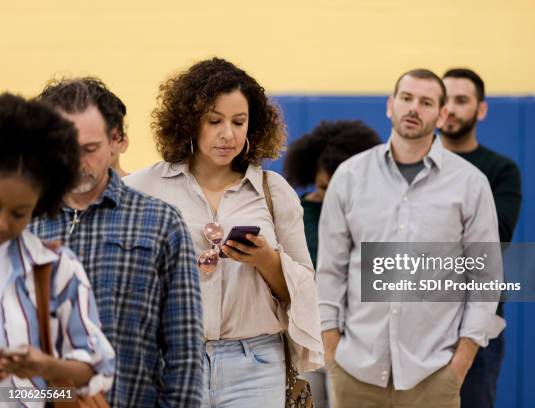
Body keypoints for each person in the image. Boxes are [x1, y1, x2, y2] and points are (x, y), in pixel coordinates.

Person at [124, 57, 324, 407]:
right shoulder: (144, 187)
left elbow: (303, 290)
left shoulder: (273, 191)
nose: (227, 134)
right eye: (214, 120)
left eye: (238, 121)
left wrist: (266, 260)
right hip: (170, 361)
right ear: (188, 122)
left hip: (257, 363)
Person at [317, 69, 505, 408]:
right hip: (355, 372)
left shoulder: (470, 184)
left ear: (442, 114)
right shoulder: (350, 177)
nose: (413, 108)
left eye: (426, 102)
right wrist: (332, 352)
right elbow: (330, 271)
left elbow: (485, 279)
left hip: (434, 374)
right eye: (406, 98)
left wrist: (459, 365)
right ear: (390, 105)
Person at [31, 78, 204, 407]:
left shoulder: (160, 223)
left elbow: (184, 354)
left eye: (89, 149)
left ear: (115, 141)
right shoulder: (21, 225)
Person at [0, 93, 115, 406]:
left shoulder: (56, 268)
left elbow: (91, 373)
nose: (3, 223)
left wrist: (45, 367)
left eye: (19, 213)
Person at [284, 120, 381, 408]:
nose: (332, 197)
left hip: (358, 345)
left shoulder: (375, 220)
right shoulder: (296, 215)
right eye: (324, 187)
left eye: (340, 188)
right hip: (304, 342)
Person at [441, 67, 522, 408]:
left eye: (462, 100)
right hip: (413, 312)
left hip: (476, 316)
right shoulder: (408, 166)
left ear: (481, 109)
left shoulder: (500, 170)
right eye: (444, 100)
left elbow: (494, 238)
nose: (451, 109)